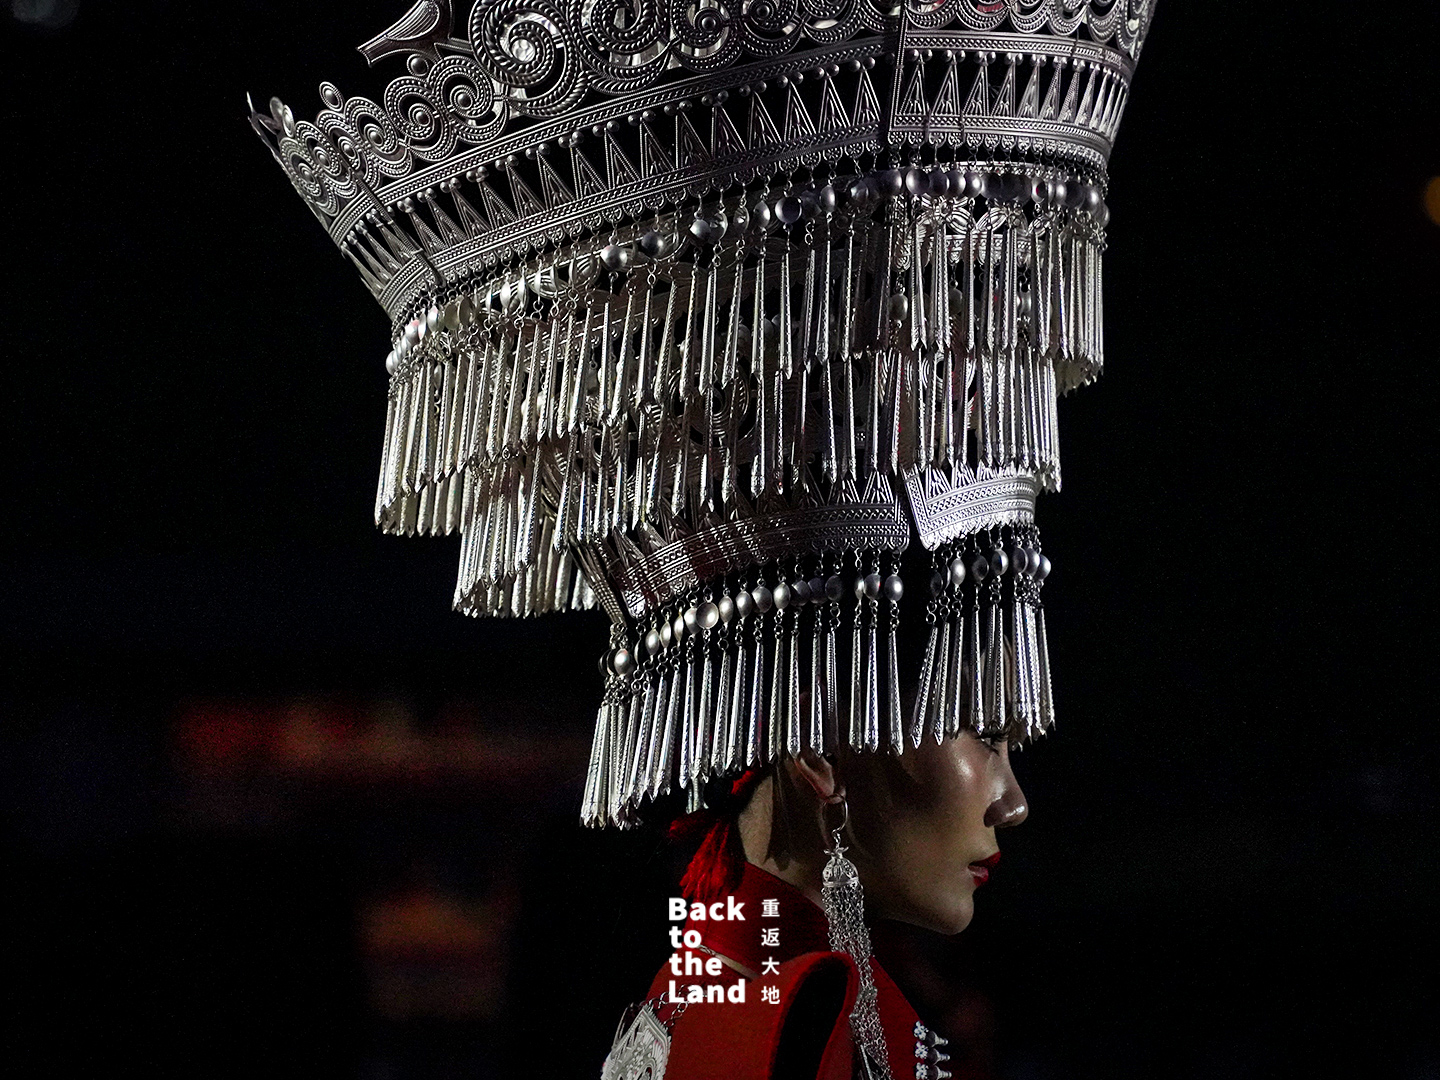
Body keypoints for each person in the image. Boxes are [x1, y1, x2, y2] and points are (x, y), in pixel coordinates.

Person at [251, 2, 1158, 1076]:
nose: (1013, 796)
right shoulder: (810, 1027)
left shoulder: (718, 991)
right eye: (984, 731)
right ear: (823, 747)